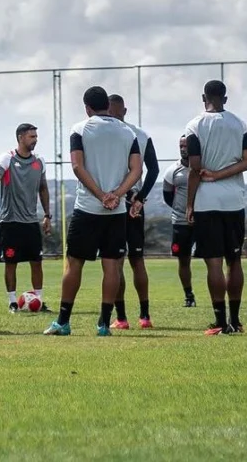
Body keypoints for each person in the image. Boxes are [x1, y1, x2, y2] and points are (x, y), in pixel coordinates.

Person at [44, 86, 142, 336]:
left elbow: (77, 166)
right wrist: (117, 195)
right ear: (108, 106)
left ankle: (63, 322)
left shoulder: (80, 129)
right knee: (112, 267)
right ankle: (103, 324)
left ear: (87, 107)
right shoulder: (127, 131)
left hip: (87, 208)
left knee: (74, 263)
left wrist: (100, 195)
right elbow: (136, 170)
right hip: (116, 211)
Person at [186, 80, 247, 336]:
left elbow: (194, 166)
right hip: (234, 201)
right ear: (225, 99)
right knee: (234, 260)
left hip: (207, 201)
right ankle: (235, 322)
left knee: (213, 264)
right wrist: (222, 174)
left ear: (203, 97)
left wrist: (190, 203)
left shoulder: (194, 125)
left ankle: (219, 321)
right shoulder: (240, 124)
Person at [0, 123, 52, 313]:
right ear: (21, 137)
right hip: (10, 222)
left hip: (31, 222)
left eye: (36, 136)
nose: (35, 140)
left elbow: (43, 188)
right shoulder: (7, 158)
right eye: (32, 136)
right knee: (10, 263)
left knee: (37, 262)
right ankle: (12, 302)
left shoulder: (40, 161)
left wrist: (47, 215)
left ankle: (38, 301)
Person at [107, 94, 160, 329]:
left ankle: (121, 318)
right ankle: (145, 316)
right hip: (133, 202)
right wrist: (140, 197)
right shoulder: (141, 133)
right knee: (137, 260)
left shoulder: (102, 134)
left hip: (111, 202)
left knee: (115, 261)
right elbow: (153, 169)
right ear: (124, 110)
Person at [162, 136, 197, 307]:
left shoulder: (202, 167)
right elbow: (168, 196)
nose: (183, 149)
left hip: (203, 221)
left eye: (186, 145)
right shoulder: (172, 171)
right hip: (180, 223)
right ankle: (188, 295)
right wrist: (182, 210)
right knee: (183, 260)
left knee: (212, 258)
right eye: (180, 145)